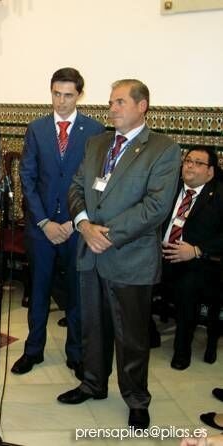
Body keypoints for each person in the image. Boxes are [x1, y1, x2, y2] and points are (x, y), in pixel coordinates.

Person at [57, 79, 180, 430]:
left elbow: (156, 206)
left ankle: (137, 400)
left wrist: (106, 235)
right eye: (111, 102)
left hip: (130, 257)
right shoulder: (97, 143)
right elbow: (76, 187)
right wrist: (84, 225)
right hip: (90, 252)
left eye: (120, 102)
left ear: (142, 106)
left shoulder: (163, 148)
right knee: (92, 328)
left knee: (131, 337)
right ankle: (92, 384)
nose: (112, 108)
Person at [11, 68, 104, 379]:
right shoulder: (36, 129)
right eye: (56, 94)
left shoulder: (94, 130)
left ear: (79, 95)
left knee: (77, 293)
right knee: (38, 290)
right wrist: (43, 222)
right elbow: (27, 177)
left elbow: (96, 182)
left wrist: (76, 221)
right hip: (42, 228)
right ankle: (33, 349)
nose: (61, 101)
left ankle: (76, 353)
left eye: (68, 95)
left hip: (77, 228)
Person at [161, 146, 223, 370]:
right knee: (132, 277)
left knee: (187, 289)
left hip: (197, 262)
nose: (190, 166)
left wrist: (196, 250)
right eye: (188, 161)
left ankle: (182, 351)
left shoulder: (218, 196)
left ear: (210, 172)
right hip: (160, 255)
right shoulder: (169, 187)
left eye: (198, 163)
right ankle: (149, 334)